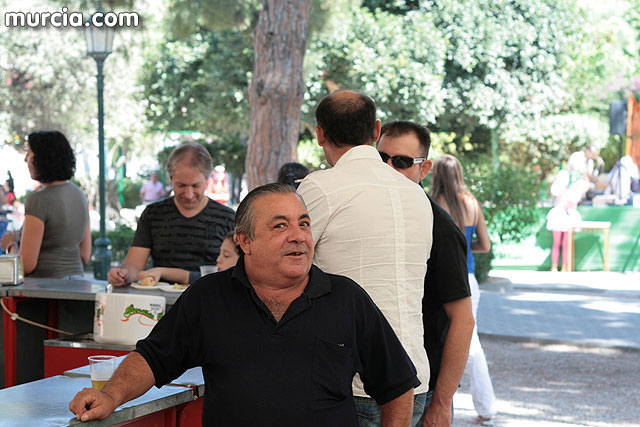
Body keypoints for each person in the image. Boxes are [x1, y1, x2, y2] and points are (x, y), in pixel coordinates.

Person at [70, 183, 419, 425]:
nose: (298, 236)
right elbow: (153, 358)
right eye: (280, 226)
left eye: (304, 224)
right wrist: (111, 396)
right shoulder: (208, 297)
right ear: (245, 242)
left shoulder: (347, 298)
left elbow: (397, 386)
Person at [297, 90, 433, 426]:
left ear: (320, 134)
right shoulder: (416, 194)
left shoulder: (320, 187)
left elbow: (286, 268)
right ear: (376, 130)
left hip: (354, 379)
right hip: (413, 375)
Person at [377, 121, 474, 426]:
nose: (389, 168)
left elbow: (463, 320)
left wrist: (442, 403)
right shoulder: (370, 214)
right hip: (373, 385)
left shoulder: (440, 228)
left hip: (423, 392)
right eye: (381, 158)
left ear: (424, 168)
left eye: (402, 162)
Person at [107, 143, 235, 286]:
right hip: (161, 298)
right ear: (170, 178)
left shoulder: (228, 218)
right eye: (181, 185)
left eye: (195, 186)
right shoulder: (153, 214)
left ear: (207, 179)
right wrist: (123, 274)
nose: (189, 194)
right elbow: (135, 264)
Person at [431, 154, 496, 426]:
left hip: (442, 279)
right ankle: (485, 406)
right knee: (468, 339)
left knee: (455, 341)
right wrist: (467, 248)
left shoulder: (434, 203)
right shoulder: (471, 203)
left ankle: (475, 404)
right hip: (468, 277)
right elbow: (485, 245)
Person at [0, 131, 91, 278]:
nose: (25, 159)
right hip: (77, 285)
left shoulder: (38, 200)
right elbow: (85, 255)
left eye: (29, 154)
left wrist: (10, 245)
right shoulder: (79, 194)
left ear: (42, 159)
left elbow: (26, 265)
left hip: (45, 288)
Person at [546, 170, 589, 271]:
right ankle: (555, 266)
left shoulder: (576, 189)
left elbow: (586, 187)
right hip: (559, 216)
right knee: (558, 243)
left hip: (568, 218)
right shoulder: (560, 187)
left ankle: (564, 267)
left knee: (566, 243)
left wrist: (584, 175)